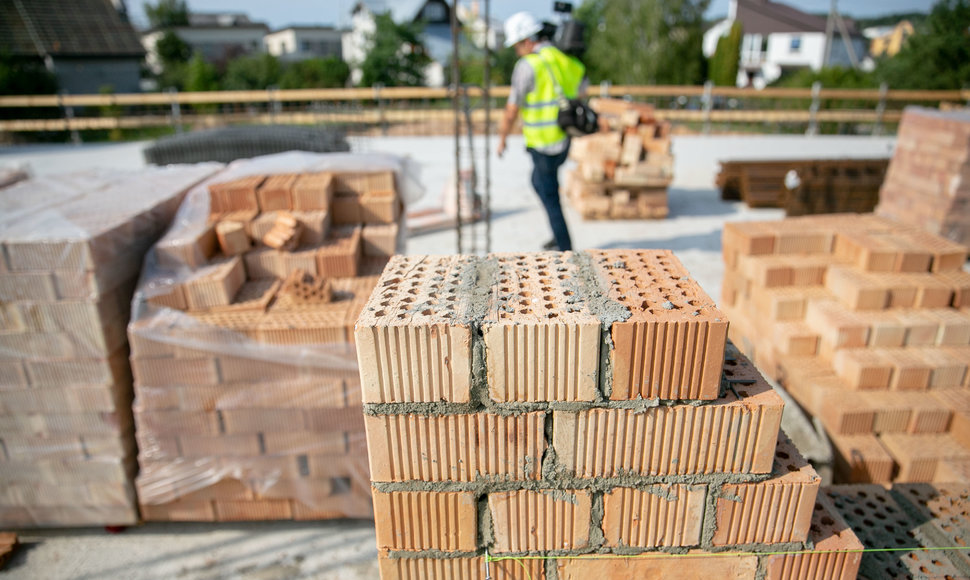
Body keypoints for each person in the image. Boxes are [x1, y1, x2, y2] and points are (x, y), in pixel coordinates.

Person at [497, 11, 588, 252]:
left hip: (542, 143)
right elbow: (582, 89)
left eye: (517, 45)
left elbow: (512, 109)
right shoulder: (565, 59)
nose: (516, 50)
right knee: (540, 183)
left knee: (549, 194)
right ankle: (558, 237)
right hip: (564, 139)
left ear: (527, 40)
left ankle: (565, 246)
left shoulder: (528, 65)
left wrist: (502, 137)